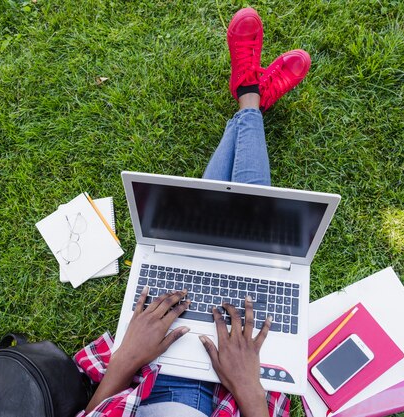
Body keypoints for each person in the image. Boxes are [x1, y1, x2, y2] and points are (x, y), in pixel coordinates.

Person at [74, 7, 310, 417]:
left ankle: (248, 99)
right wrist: (249, 390)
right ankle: (249, 98)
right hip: (233, 396)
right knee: (252, 236)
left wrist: (126, 359)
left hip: (143, 375)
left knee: (195, 235)